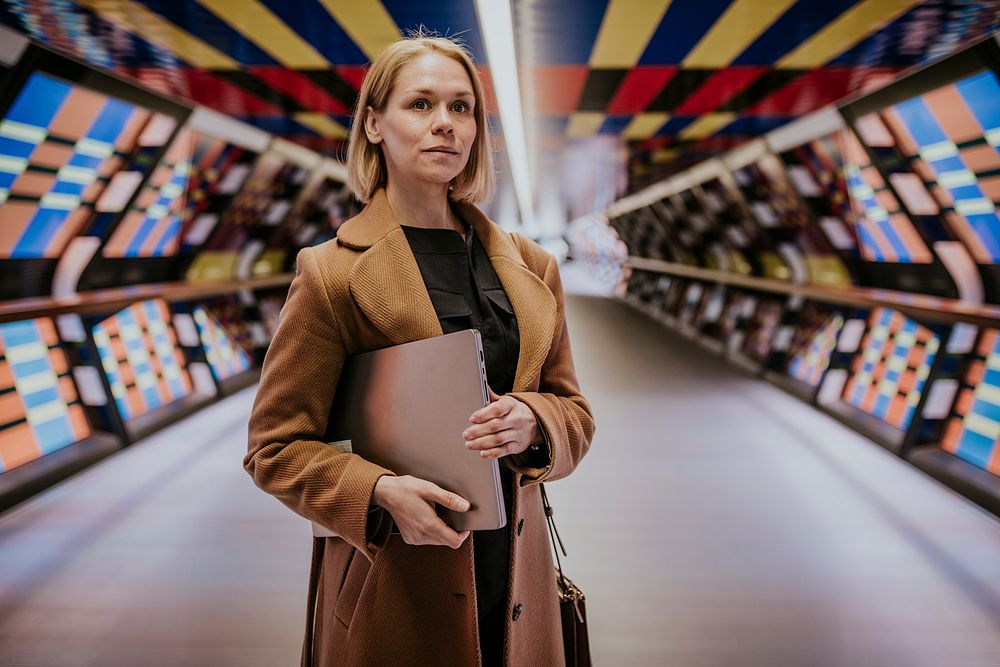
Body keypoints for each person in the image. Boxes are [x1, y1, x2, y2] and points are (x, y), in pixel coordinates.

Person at [245, 33, 595, 667]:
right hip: (395, 580)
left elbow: (574, 412)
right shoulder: (332, 274)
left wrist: (534, 421)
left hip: (517, 580)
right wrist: (378, 492)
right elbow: (274, 448)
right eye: (421, 105)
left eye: (462, 108)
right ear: (375, 124)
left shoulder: (532, 267)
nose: (445, 125)